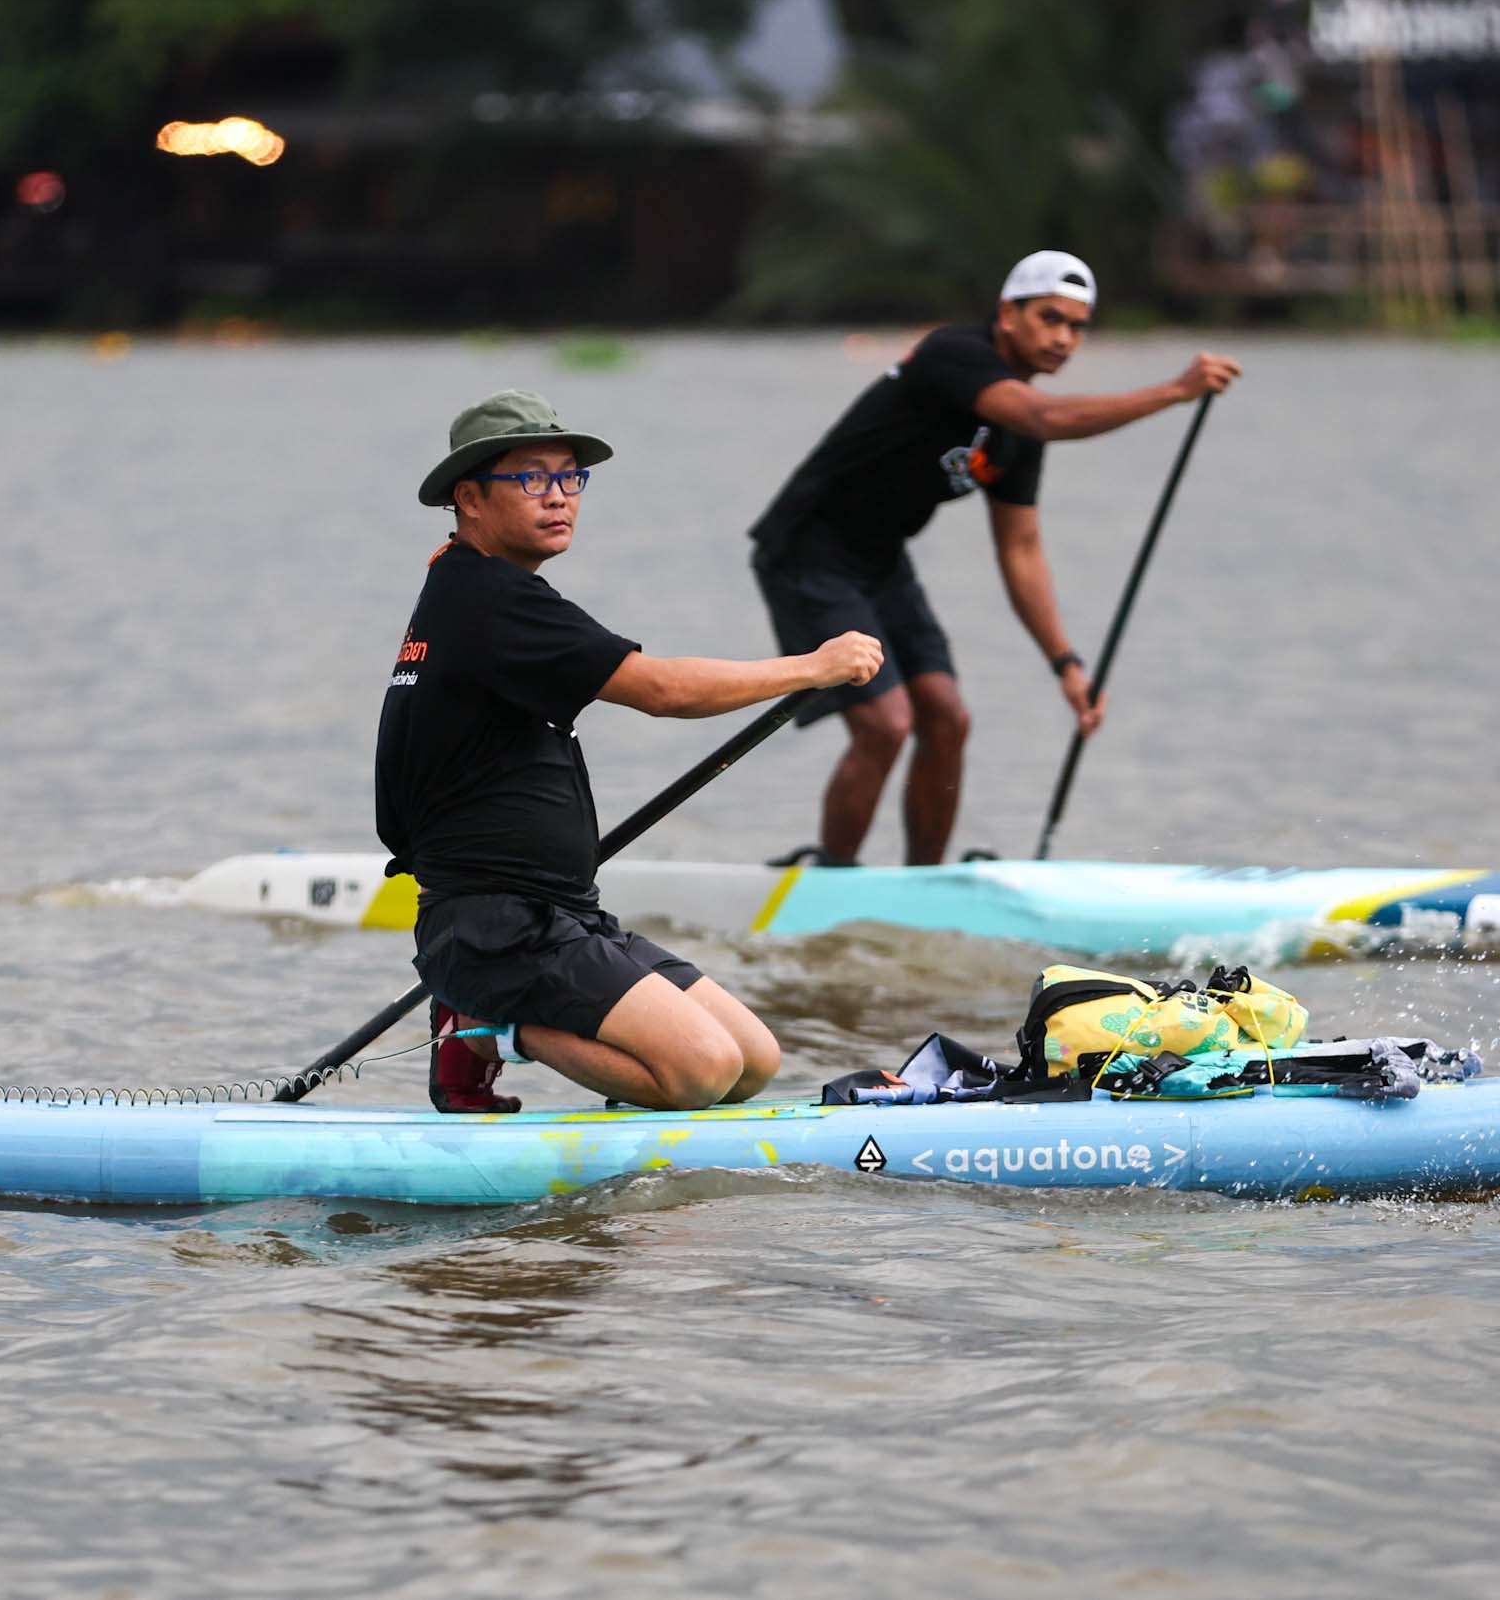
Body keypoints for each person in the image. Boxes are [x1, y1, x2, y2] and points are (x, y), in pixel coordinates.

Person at [378, 390, 885, 1114]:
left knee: (753, 1062)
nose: (558, 497)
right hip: (495, 928)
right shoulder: (488, 600)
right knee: (702, 1071)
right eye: (530, 478)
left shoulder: (475, 587)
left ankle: (592, 1080)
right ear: (470, 498)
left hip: (564, 915)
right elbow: (665, 691)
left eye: (568, 477)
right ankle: (484, 1032)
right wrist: (813, 666)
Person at [750, 250, 1242, 865]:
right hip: (807, 548)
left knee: (949, 719)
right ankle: (831, 878)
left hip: (882, 561)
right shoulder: (952, 354)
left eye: (1077, 327)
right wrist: (1174, 391)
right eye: (1050, 318)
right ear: (1008, 313)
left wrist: (1066, 665)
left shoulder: (1020, 438)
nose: (1064, 338)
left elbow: (1022, 549)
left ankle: (921, 888)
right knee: (886, 723)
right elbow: (1049, 414)